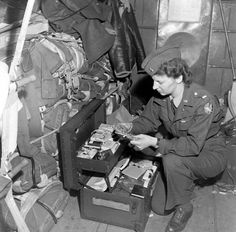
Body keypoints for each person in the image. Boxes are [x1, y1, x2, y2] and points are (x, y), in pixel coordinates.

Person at [115, 46, 227, 232]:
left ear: (179, 78)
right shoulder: (161, 98)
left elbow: (193, 145)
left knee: (171, 158)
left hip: (209, 152)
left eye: (159, 81)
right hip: (181, 150)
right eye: (153, 81)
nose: (153, 87)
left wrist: (155, 142)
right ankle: (186, 180)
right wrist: (129, 127)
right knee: (159, 208)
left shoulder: (203, 101)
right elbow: (147, 121)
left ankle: (185, 207)